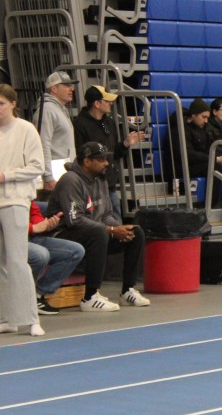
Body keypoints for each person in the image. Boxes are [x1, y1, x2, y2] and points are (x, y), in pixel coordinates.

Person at [47, 141, 150, 312]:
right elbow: (74, 220)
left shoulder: (100, 179)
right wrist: (111, 230)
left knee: (135, 232)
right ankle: (90, 297)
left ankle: (128, 291)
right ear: (87, 161)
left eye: (106, 159)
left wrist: (120, 229)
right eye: (101, 160)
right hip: (63, 234)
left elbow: (106, 215)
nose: (106, 163)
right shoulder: (70, 180)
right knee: (99, 233)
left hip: (91, 233)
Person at [0, 84, 45, 336]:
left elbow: (37, 166)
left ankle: (31, 319)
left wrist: (6, 176)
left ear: (13, 104)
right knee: (0, 263)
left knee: (17, 260)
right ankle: (7, 317)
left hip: (16, 201)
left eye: (1, 104)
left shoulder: (26, 129)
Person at [73, 85, 143, 220]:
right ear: (97, 104)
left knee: (116, 222)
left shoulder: (109, 123)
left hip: (109, 184)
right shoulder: (80, 124)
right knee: (96, 223)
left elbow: (114, 152)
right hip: (91, 186)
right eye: (107, 101)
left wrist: (125, 144)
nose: (111, 103)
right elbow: (81, 155)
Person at [28, 201, 85, 316]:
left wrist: (45, 225)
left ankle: (37, 295)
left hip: (29, 237)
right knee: (40, 255)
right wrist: (32, 228)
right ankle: (24, 297)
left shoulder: (24, 192)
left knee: (76, 251)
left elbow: (33, 211)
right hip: (8, 240)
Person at [35, 71, 77, 192]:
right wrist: (48, 176)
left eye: (71, 85)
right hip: (55, 173)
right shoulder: (47, 110)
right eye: (67, 85)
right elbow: (43, 144)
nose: (72, 89)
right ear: (54, 89)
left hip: (64, 170)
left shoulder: (59, 109)